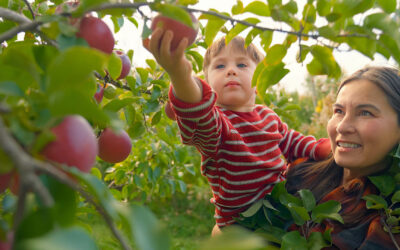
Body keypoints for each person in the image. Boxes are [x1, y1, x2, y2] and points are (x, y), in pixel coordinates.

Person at [144, 28, 330, 233]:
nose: (230, 70)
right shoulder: (219, 123)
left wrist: (321, 148)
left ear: (260, 79)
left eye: (241, 64)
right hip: (240, 227)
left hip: (281, 210)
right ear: (207, 83)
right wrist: (178, 73)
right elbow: (198, 113)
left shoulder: (268, 116)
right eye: (220, 65)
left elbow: (292, 141)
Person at [286, 66, 400, 249]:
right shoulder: (298, 173)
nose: (342, 127)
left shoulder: (392, 220)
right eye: (339, 111)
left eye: (365, 113)